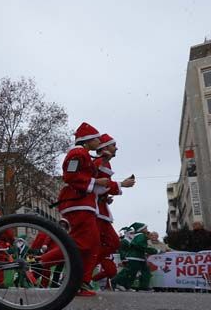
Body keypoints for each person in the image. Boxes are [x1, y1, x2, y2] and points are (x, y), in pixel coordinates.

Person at [57, 122, 133, 297]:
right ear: (88, 140)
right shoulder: (77, 153)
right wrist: (97, 182)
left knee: (90, 244)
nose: (100, 140)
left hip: (84, 204)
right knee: (85, 243)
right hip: (78, 203)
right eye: (97, 138)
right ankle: (59, 270)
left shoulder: (84, 155)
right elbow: (70, 176)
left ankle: (76, 279)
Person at [92, 134, 134, 289]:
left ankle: (84, 270)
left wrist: (106, 196)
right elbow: (95, 185)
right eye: (113, 145)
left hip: (100, 211)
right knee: (104, 243)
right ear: (105, 147)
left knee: (111, 243)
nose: (116, 148)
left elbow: (100, 187)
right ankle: (81, 270)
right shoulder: (99, 162)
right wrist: (121, 184)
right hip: (95, 212)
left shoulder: (104, 163)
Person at [113, 222, 158, 291]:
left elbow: (139, 245)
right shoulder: (140, 235)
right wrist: (153, 250)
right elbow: (140, 246)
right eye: (145, 228)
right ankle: (115, 282)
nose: (147, 229)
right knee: (130, 272)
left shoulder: (139, 236)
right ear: (141, 229)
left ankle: (129, 286)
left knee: (135, 272)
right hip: (135, 257)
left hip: (138, 257)